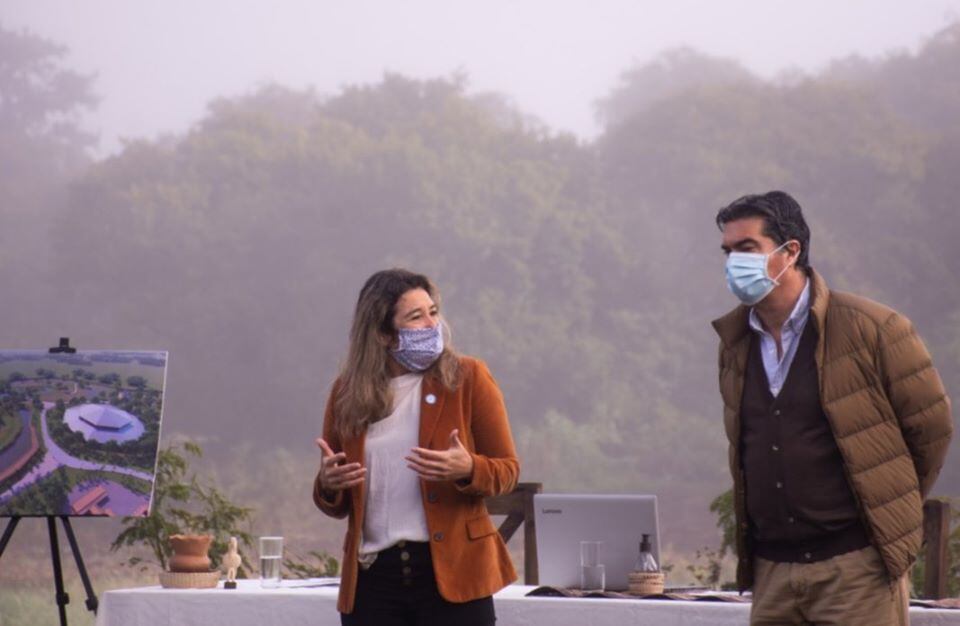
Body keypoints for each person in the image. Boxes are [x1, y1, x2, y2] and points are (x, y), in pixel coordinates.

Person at [711, 191, 952, 625]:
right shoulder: (736, 344)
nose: (733, 263)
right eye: (728, 251)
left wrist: (887, 511)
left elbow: (931, 431)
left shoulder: (874, 329)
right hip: (774, 572)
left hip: (855, 568)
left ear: (791, 251)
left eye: (746, 249)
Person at [313, 268, 519, 626]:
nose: (431, 324)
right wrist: (328, 485)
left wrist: (468, 468)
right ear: (382, 334)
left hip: (451, 575)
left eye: (433, 312)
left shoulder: (468, 377)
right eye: (415, 316)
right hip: (373, 580)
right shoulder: (346, 392)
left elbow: (508, 471)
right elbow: (336, 503)